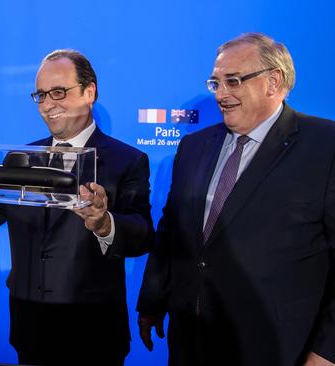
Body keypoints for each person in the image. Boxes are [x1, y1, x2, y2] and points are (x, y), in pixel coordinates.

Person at [0, 49, 154, 365]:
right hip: (30, 326)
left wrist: (104, 223)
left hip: (93, 332)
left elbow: (142, 235)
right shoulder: (21, 158)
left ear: (89, 92)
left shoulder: (127, 160)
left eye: (58, 92)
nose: (48, 104)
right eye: (40, 95)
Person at [137, 32, 335, 366]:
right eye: (216, 83)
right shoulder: (193, 147)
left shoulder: (326, 146)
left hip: (277, 347)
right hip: (190, 339)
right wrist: (152, 301)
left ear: (273, 82)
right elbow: (172, 233)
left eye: (234, 81)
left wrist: (327, 351)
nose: (221, 94)